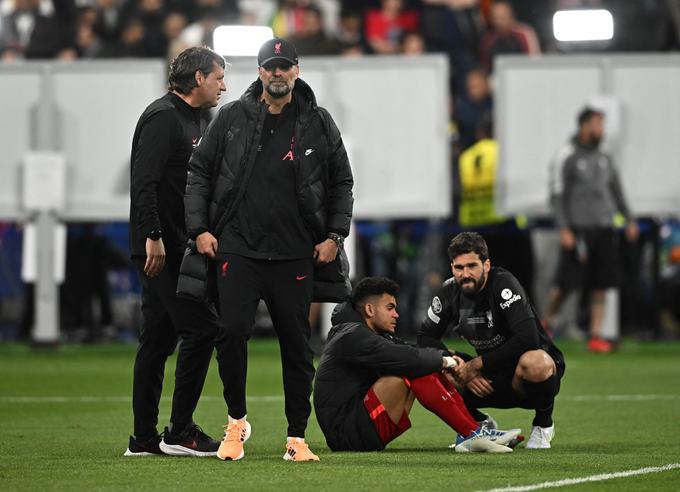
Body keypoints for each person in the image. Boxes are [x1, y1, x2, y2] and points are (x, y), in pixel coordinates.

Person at [185, 37, 354, 462]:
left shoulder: (319, 121)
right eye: (269, 67)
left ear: (297, 69)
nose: (277, 73)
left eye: (284, 66)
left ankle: (296, 437)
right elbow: (199, 172)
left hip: (297, 251)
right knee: (231, 333)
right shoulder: (231, 118)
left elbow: (342, 183)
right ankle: (236, 422)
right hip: (238, 248)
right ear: (259, 72)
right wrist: (200, 229)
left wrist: (335, 237)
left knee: (297, 346)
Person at [126, 46, 226, 457]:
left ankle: (144, 439)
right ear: (198, 78)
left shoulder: (197, 118)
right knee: (203, 330)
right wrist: (153, 234)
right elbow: (144, 180)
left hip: (174, 247)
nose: (224, 85)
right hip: (160, 247)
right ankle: (179, 430)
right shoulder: (164, 117)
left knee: (158, 340)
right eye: (219, 77)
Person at [314, 276, 521, 453]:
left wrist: (446, 357)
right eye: (390, 307)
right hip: (347, 434)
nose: (396, 314)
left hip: (358, 426)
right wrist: (445, 361)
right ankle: (472, 433)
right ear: (369, 309)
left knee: (419, 363)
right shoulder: (353, 335)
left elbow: (410, 350)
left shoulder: (365, 333)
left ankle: (474, 430)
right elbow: (408, 357)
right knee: (413, 368)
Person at [418, 232, 565, 449]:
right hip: (488, 379)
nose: (465, 274)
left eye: (472, 266)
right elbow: (425, 338)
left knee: (537, 361)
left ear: (486, 265)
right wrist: (459, 367)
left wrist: (476, 365)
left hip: (525, 378)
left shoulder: (503, 284)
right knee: (435, 366)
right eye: (459, 268)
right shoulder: (449, 292)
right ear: (452, 268)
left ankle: (543, 426)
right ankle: (478, 426)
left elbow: (528, 339)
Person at [545, 107, 639, 352]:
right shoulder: (567, 155)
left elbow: (617, 191)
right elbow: (557, 196)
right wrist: (564, 228)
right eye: (597, 124)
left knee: (601, 283)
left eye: (602, 124)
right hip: (579, 231)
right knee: (566, 283)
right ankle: (546, 322)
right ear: (584, 126)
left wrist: (628, 219)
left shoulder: (605, 157)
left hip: (605, 229)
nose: (601, 129)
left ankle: (595, 335)